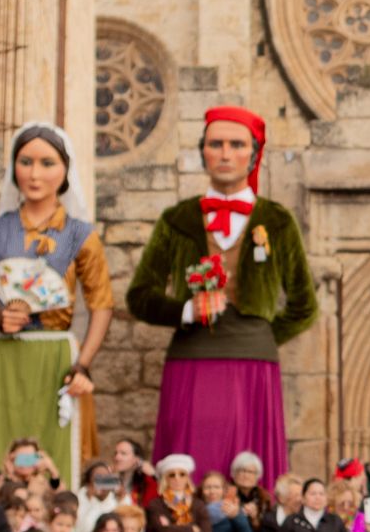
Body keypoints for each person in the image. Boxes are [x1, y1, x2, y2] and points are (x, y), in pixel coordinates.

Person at [127, 107, 318, 488]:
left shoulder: (277, 221)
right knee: (189, 464)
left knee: (249, 469)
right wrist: (184, 310)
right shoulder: (176, 219)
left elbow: (304, 306)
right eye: (216, 144)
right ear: (204, 153)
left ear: (253, 153)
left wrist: (258, 333)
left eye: (236, 144)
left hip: (254, 366)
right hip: (191, 360)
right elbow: (139, 296)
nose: (226, 154)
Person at [0, 122, 115, 482]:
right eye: (26, 162)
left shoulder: (80, 234)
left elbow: (102, 304)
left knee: (55, 457)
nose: (35, 174)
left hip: (56, 361)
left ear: (65, 171)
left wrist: (83, 364)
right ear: (13, 168)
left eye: (47, 163)